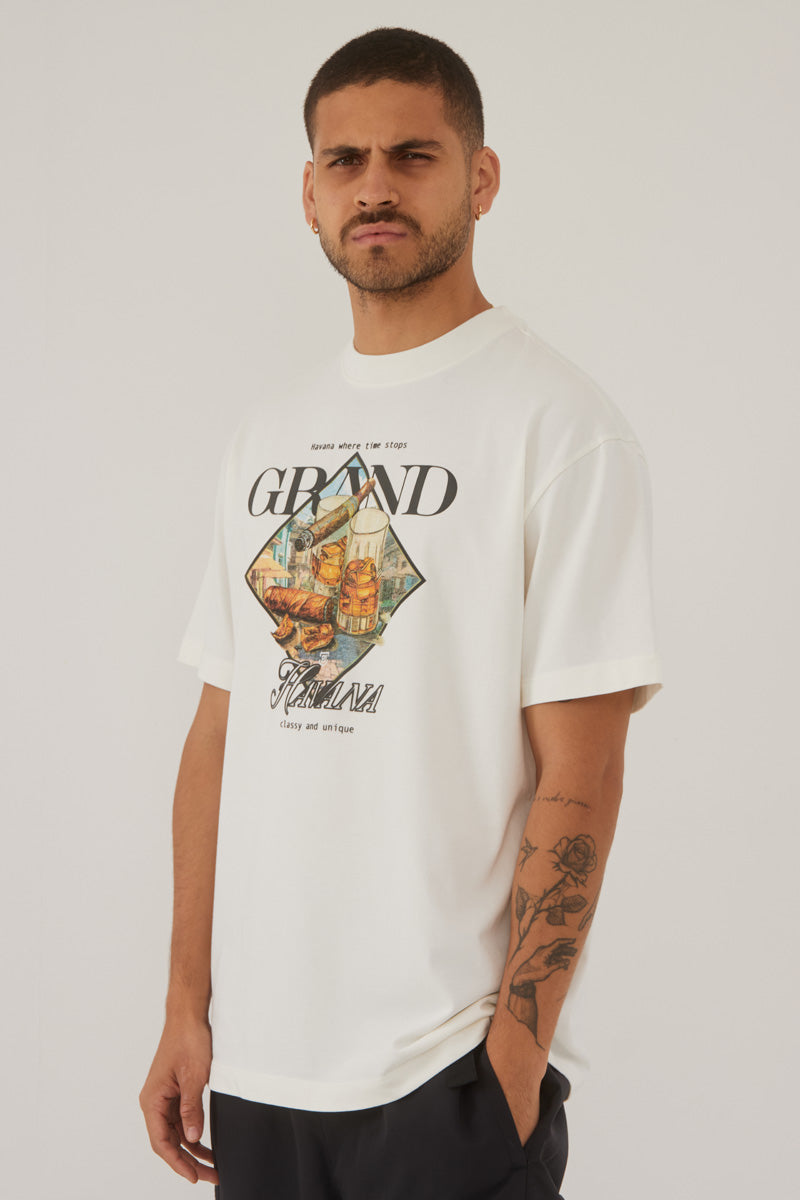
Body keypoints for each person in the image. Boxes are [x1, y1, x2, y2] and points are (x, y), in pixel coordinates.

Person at [139, 26, 661, 1199]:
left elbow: (581, 772)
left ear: (479, 178)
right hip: (259, 1069)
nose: (374, 186)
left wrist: (511, 1064)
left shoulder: (557, 428)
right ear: (310, 194)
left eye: (412, 156)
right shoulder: (269, 435)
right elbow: (219, 735)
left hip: (445, 1077)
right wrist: (185, 1006)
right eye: (345, 161)